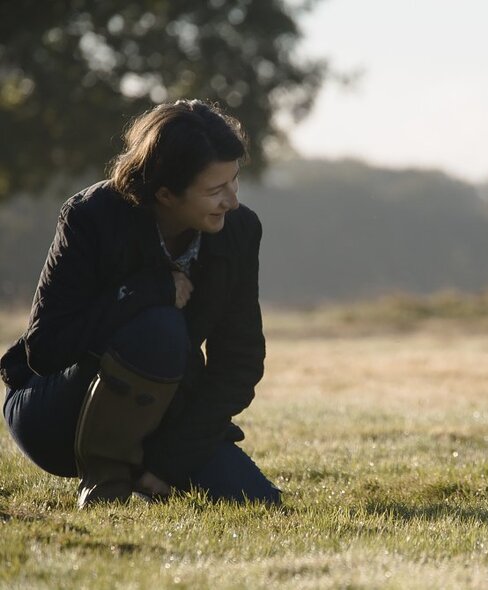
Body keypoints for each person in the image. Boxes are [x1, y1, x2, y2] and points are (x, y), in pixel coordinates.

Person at [0, 99, 280, 508]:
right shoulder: (91, 215)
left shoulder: (239, 229)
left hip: (164, 413)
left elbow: (239, 360)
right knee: (160, 326)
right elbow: (46, 348)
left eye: (234, 181)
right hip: (55, 414)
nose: (232, 201)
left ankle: (144, 471)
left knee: (257, 502)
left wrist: (170, 463)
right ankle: (106, 479)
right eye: (216, 190)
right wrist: (148, 291)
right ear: (165, 193)